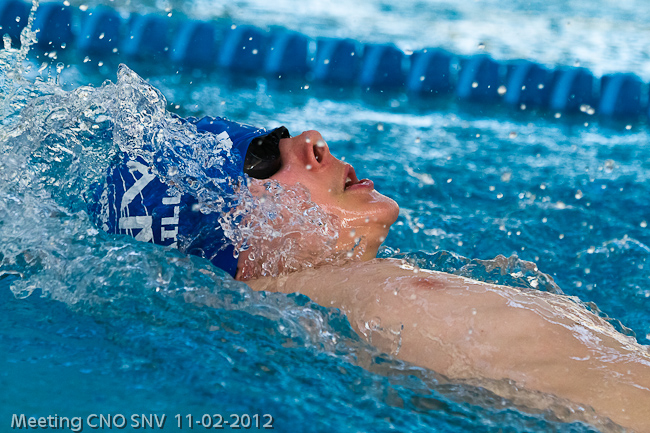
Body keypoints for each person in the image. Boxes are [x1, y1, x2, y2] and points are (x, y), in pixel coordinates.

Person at [93, 117, 650, 432]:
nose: (311, 141)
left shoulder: (329, 295)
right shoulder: (270, 302)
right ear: (230, 235)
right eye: (262, 158)